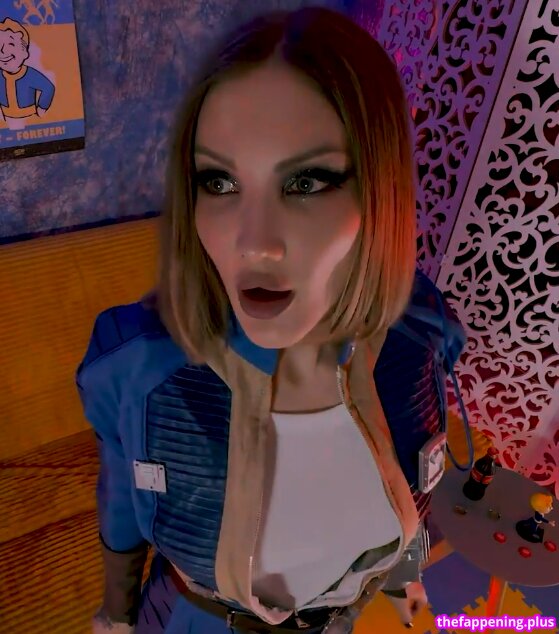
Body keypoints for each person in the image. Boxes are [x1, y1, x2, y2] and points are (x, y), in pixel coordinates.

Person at [76, 7, 466, 633]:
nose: (254, 244)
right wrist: (115, 616)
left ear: (380, 189)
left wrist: (407, 580)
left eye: (306, 182)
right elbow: (123, 502)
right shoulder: (136, 363)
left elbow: (417, 477)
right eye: (219, 182)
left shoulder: (419, 333)